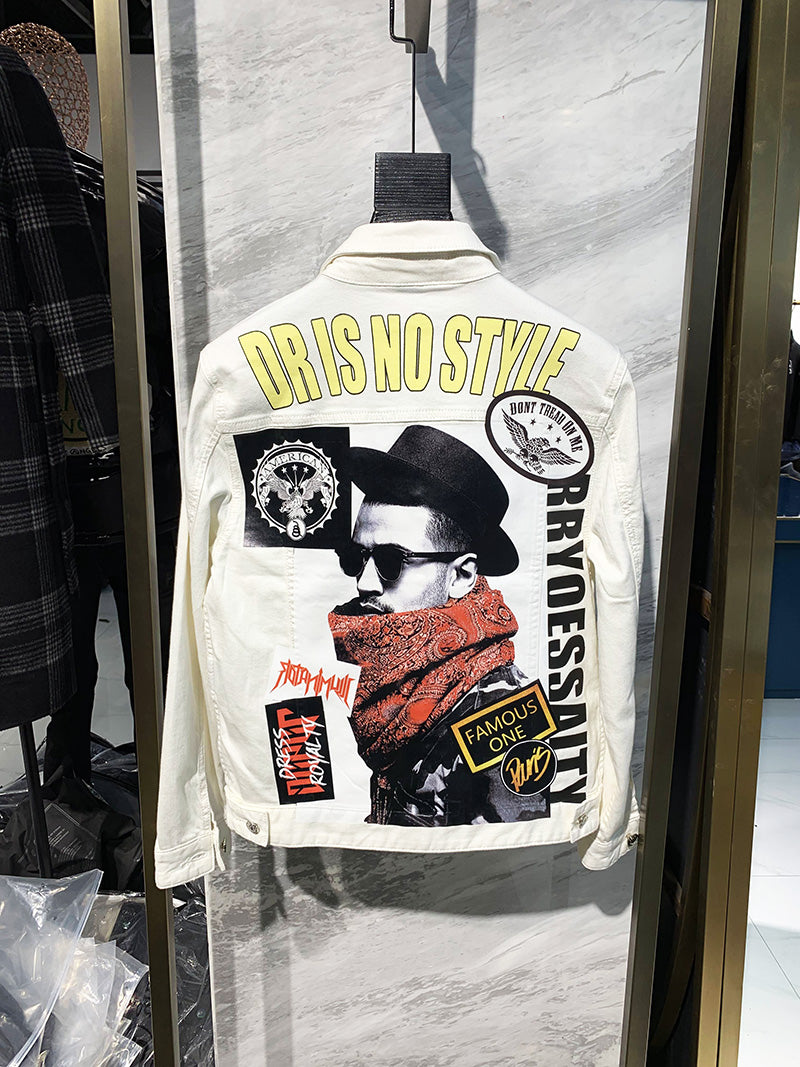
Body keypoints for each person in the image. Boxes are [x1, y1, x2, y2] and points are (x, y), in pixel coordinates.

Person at [329, 424, 549, 826]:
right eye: (356, 558)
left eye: (391, 561)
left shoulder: (502, 709)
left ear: (461, 576)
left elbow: (507, 853)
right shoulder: (382, 679)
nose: (364, 583)